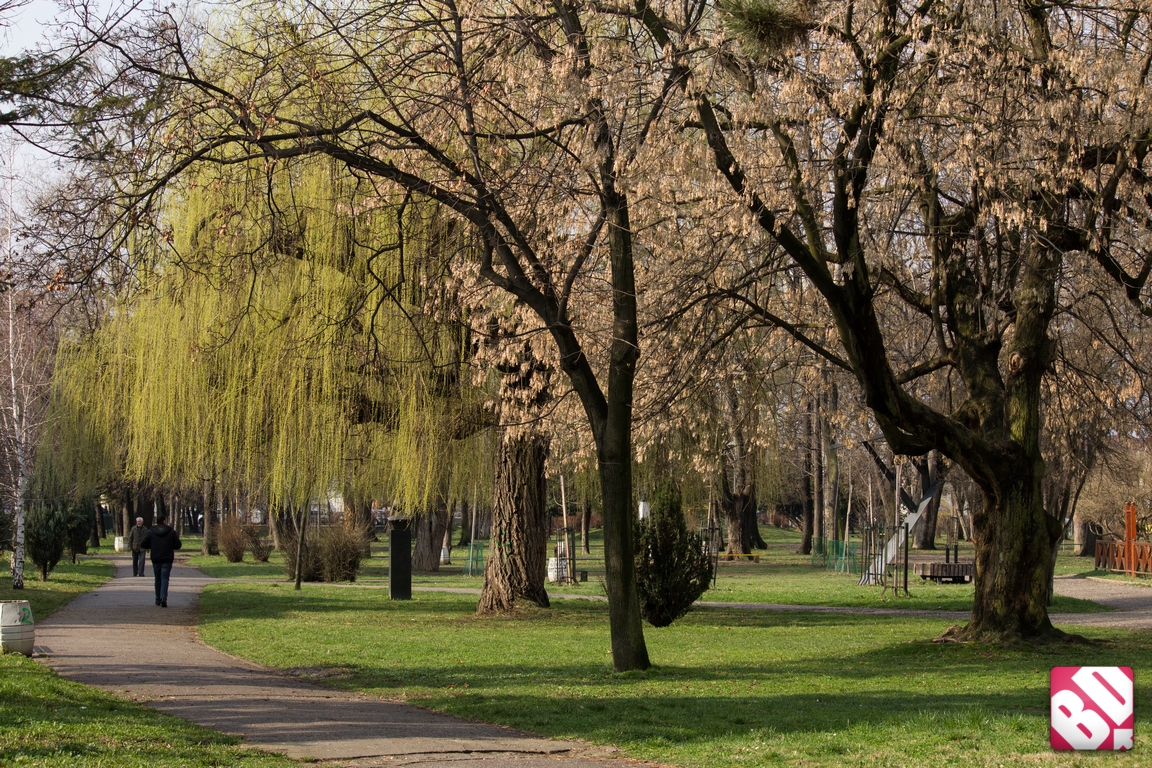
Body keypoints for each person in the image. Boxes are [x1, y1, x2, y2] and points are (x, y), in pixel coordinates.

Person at [140, 512, 182, 607]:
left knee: (157, 578)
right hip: (167, 558)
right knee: (165, 578)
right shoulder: (171, 532)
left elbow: (143, 544)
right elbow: (178, 545)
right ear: (164, 521)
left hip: (156, 557)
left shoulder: (151, 531)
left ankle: (157, 599)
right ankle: (164, 598)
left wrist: (151, 546)